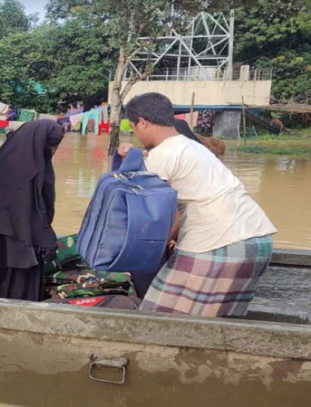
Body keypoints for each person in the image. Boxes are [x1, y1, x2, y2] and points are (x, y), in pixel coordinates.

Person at [119, 92, 277, 317]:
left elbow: (160, 217)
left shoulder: (160, 156)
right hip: (257, 238)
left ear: (142, 123)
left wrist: (144, 252)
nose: (135, 133)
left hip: (219, 241)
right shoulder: (194, 147)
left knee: (157, 315)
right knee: (216, 322)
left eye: (133, 127)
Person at [0, 121, 64, 301]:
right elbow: (33, 210)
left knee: (0, 278)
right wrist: (45, 236)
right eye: (50, 145)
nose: (52, 151)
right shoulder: (36, 168)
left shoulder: (1, 160)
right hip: (24, 238)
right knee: (20, 284)